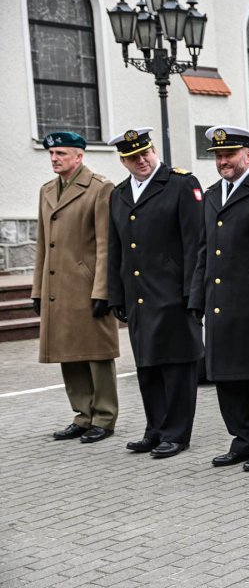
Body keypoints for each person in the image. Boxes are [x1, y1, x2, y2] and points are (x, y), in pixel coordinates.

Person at [188, 125, 249, 472]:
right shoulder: (213, 194)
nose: (223, 161)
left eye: (230, 154)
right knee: (225, 376)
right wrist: (196, 297)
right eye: (218, 155)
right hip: (218, 302)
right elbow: (205, 251)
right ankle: (242, 439)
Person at [107, 128, 203, 459]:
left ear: (154, 150)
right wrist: (115, 295)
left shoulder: (180, 184)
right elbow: (115, 248)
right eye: (133, 157)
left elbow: (195, 243)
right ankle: (156, 428)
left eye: (145, 152)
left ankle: (176, 433)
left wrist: (193, 291)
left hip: (173, 293)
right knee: (148, 366)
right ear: (123, 161)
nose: (142, 160)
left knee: (176, 366)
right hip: (138, 296)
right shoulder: (119, 194)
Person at [32, 131, 119, 443]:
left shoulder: (99, 187)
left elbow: (106, 245)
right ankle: (83, 415)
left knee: (96, 354)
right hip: (57, 285)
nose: (55, 159)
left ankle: (105, 417)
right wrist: (37, 290)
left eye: (62, 154)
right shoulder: (46, 190)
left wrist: (102, 291)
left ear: (79, 156)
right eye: (52, 154)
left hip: (86, 285)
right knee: (69, 352)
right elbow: (43, 245)